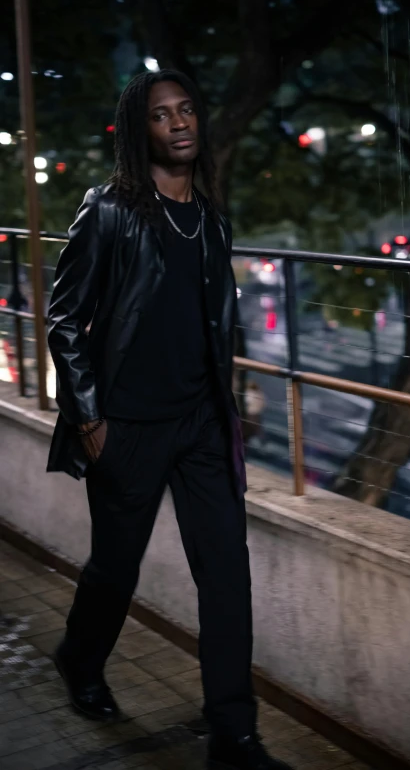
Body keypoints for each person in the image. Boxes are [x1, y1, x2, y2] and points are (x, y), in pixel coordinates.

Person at [46, 69, 292, 770]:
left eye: (187, 110)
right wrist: (89, 415)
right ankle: (79, 657)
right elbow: (64, 317)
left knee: (226, 576)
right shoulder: (112, 209)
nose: (179, 123)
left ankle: (234, 735)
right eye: (162, 115)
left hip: (202, 426)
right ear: (140, 129)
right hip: (126, 424)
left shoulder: (212, 219)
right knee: (115, 568)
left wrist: (232, 407)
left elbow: (217, 327)